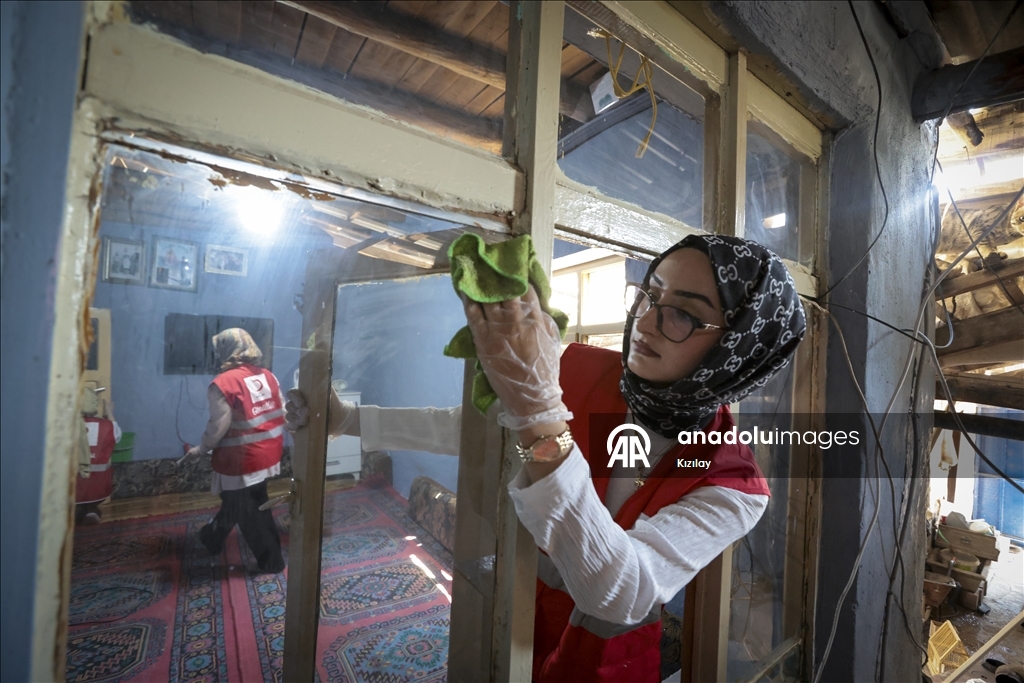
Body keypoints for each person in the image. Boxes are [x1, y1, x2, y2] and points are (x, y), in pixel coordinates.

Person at [286, 234, 805, 682]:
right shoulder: (581, 368)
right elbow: (467, 432)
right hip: (509, 618)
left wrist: (541, 420)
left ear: (740, 349)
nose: (646, 322)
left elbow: (622, 592)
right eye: (649, 294)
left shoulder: (733, 486)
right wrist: (349, 421)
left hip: (600, 663)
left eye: (684, 314)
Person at [185, 328, 287, 574]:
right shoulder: (268, 376)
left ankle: (272, 562)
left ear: (226, 350)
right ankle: (212, 538)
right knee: (246, 501)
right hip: (268, 454)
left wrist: (202, 448)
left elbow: (218, 426)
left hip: (240, 460)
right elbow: (282, 410)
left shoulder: (222, 384)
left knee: (250, 513)